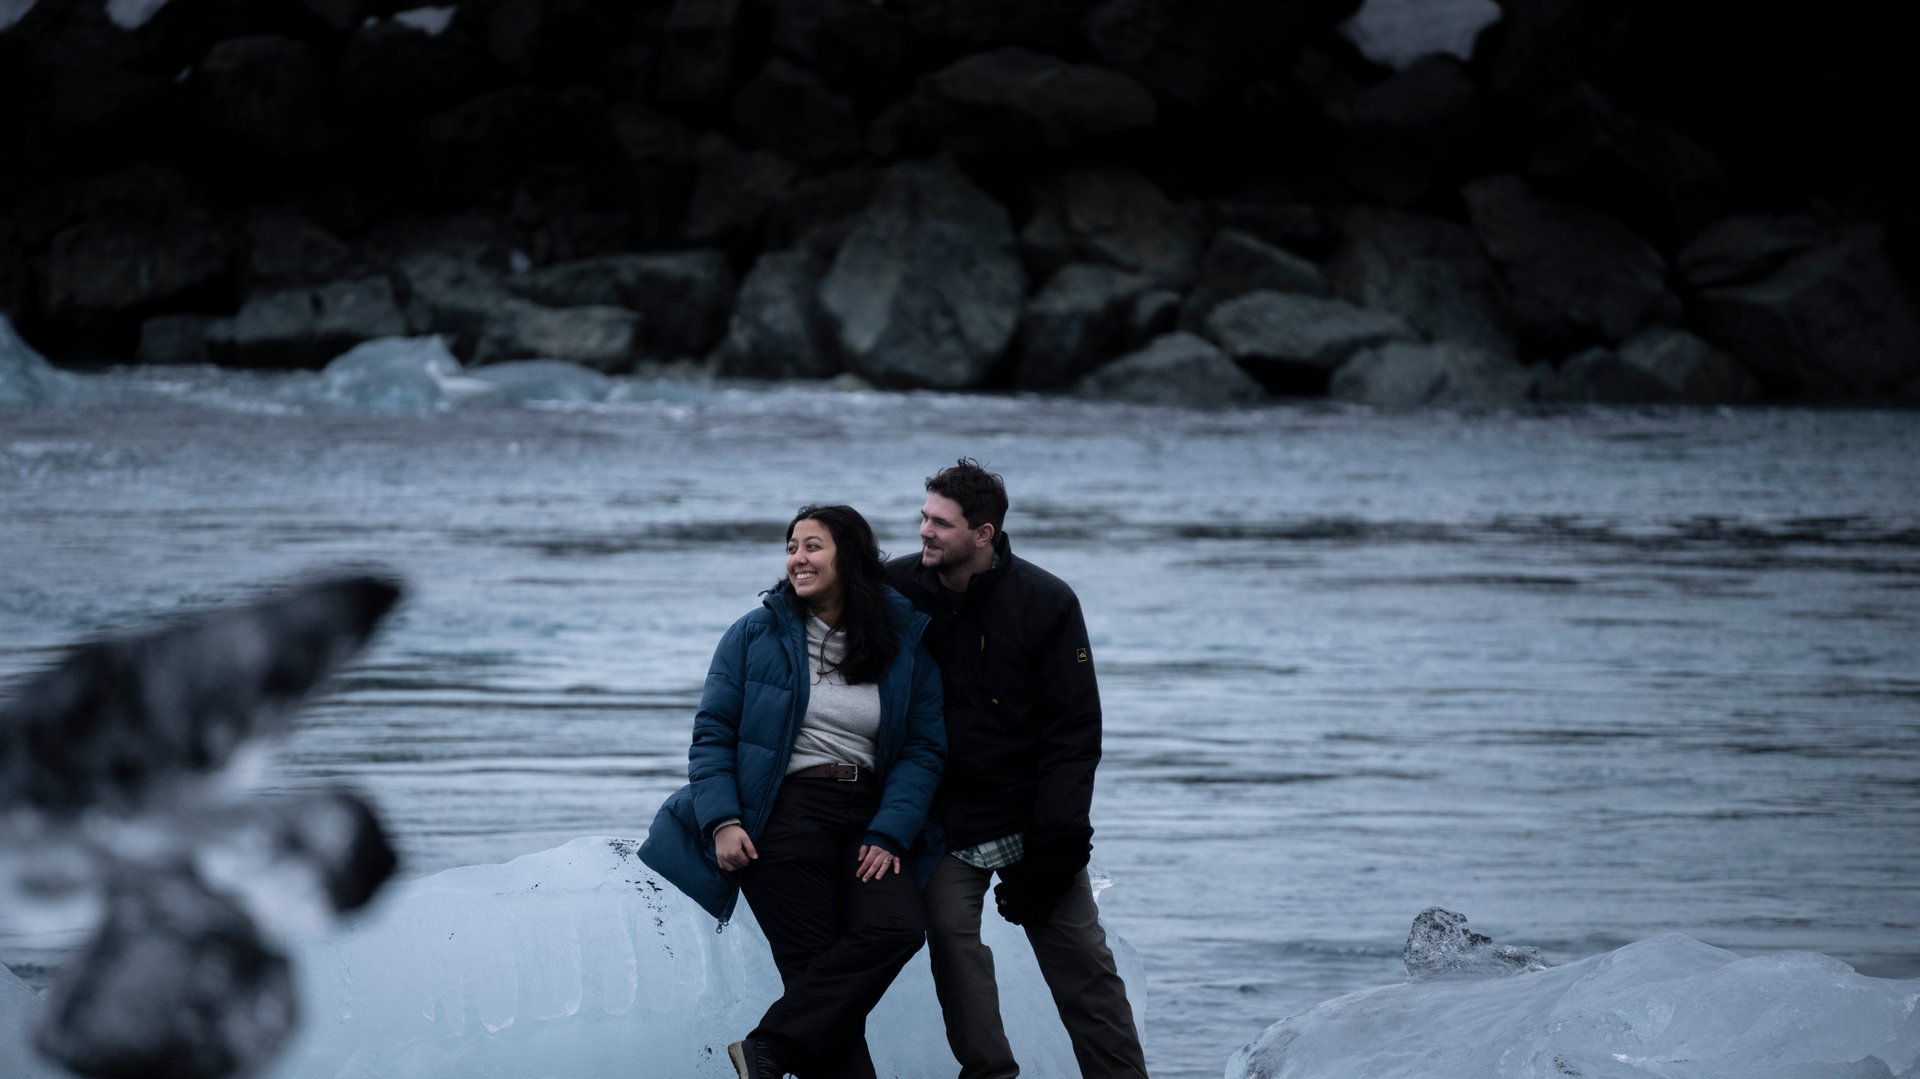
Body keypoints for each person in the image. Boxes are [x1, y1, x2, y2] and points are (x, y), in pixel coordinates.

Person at [641, 504, 946, 1079]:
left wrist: (891, 830)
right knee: (815, 981)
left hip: (869, 818)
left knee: (896, 929)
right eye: (792, 547)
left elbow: (922, 750)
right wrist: (722, 820)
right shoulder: (755, 633)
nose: (797, 559)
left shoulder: (900, 640)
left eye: (812, 546)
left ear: (848, 557)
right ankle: (773, 1050)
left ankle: (769, 1047)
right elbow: (712, 735)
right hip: (784, 815)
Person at [884, 460, 1149, 1079]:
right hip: (945, 819)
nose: (924, 531)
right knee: (951, 939)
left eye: (940, 524)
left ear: (984, 534)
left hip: (1034, 819)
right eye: (923, 517)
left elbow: (1074, 734)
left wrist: (1058, 844)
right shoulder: (895, 588)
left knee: (1083, 963)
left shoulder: (1047, 602)